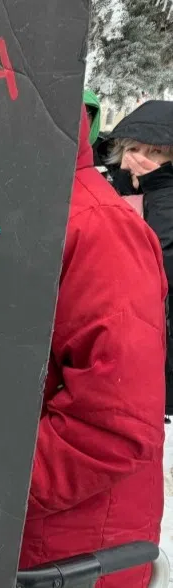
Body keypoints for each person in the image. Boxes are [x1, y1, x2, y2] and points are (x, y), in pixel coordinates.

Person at [19, 109, 166, 588]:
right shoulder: (7, 201)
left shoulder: (96, 225)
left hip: (69, 551)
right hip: (21, 537)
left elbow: (112, 427)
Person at [104, 101, 173, 418]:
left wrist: (159, 188)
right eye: (136, 148)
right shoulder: (107, 190)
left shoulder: (164, 198)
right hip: (111, 344)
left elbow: (160, 260)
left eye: (157, 153)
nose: (145, 160)